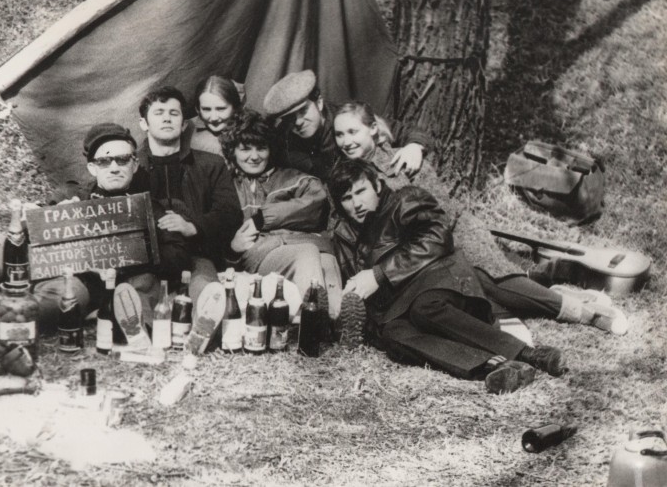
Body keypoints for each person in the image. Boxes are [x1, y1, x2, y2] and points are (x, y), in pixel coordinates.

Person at [327, 159, 628, 394]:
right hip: (405, 302)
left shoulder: (404, 200)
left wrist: (379, 274)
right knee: (393, 334)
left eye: (361, 191)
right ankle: (496, 368)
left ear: (377, 185)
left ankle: (531, 354)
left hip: (443, 279)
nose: (356, 203)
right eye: (347, 198)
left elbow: (436, 237)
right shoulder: (352, 236)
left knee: (425, 307)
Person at [0, 123, 191, 332]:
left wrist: (131, 255)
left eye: (123, 159)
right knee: (3, 243)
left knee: (61, 302)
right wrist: (46, 214)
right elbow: (33, 229)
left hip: (81, 280)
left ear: (134, 165)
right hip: (42, 262)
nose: (114, 167)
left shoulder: (149, 208)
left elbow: (178, 257)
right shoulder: (72, 194)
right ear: (92, 168)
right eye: (105, 161)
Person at [219, 109, 342, 319]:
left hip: (313, 246)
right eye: (245, 149)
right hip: (267, 252)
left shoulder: (294, 178)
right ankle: (312, 324)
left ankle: (335, 321)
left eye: (261, 148)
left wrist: (262, 219)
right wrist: (231, 251)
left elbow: (317, 202)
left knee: (326, 264)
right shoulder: (227, 186)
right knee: (307, 254)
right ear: (233, 151)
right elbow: (217, 232)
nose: (254, 156)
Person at [137, 86, 243, 304]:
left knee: (207, 295)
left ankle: (203, 332)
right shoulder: (130, 167)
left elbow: (229, 213)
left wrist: (192, 226)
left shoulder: (210, 164)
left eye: (174, 113)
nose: (167, 119)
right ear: (144, 124)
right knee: (138, 295)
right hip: (147, 260)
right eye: (159, 113)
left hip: (197, 257)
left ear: (184, 124)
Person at [262, 70, 431, 181]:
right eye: (290, 118)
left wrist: (415, 146)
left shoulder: (345, 119)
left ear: (319, 102)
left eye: (303, 111)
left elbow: (403, 130)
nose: (298, 122)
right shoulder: (283, 137)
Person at [184, 75, 244, 156]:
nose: (214, 118)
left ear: (235, 107)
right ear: (198, 110)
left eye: (221, 109)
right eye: (206, 109)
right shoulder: (185, 134)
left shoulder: (249, 128)